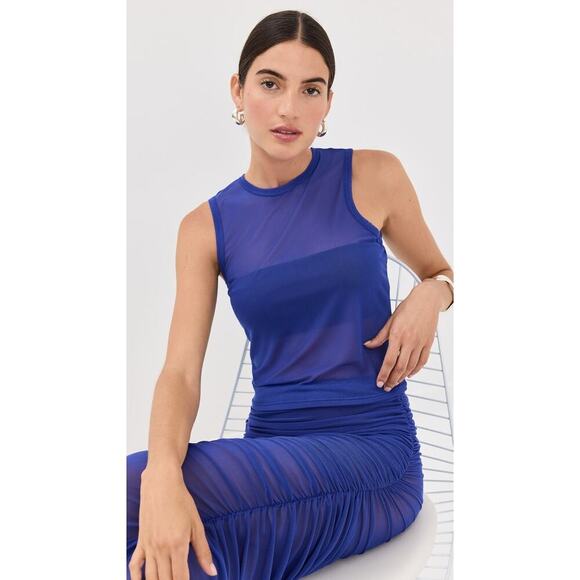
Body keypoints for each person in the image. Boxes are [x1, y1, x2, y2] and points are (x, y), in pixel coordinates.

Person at [127, 9, 454, 580]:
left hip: (374, 455)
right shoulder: (204, 228)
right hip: (272, 451)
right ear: (238, 90)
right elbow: (179, 372)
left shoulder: (374, 176)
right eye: (271, 84)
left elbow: (441, 272)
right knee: (167, 526)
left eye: (311, 90)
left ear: (328, 103)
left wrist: (433, 293)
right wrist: (162, 474)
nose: (289, 109)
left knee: (128, 495)